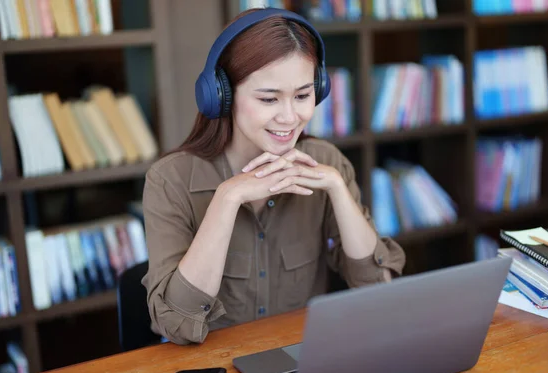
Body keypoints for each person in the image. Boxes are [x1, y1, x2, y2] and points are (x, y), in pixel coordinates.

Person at [141, 7, 406, 346]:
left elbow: (377, 289)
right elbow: (176, 322)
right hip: (212, 370)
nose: (289, 117)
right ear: (221, 96)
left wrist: (338, 190)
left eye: (302, 96)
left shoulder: (326, 163)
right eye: (269, 98)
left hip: (303, 362)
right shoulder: (170, 180)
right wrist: (227, 199)